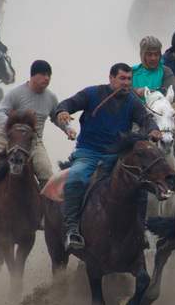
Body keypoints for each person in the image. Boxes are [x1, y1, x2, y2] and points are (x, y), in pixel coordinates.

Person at [53, 63, 162, 250]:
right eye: (122, 79)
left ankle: (140, 230)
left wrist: (153, 130)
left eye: (129, 79)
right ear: (111, 78)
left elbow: (146, 120)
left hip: (117, 157)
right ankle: (71, 229)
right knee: (76, 176)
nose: (126, 83)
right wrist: (62, 111)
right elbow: (68, 104)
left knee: (140, 185)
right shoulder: (92, 93)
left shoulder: (132, 102)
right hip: (89, 153)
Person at [0, 60, 63, 202]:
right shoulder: (16, 93)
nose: (47, 78)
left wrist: (68, 129)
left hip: (33, 140)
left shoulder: (51, 97)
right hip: (7, 136)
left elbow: (56, 117)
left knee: (46, 172)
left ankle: (49, 212)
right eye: (43, 74)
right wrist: (11, 127)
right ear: (33, 76)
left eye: (49, 75)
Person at [131, 35, 175, 176]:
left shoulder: (166, 71)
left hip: (165, 118)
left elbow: (169, 91)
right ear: (142, 55)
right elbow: (125, 91)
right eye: (149, 54)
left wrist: (151, 95)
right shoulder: (132, 73)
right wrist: (137, 91)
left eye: (156, 54)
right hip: (138, 120)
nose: (153, 58)